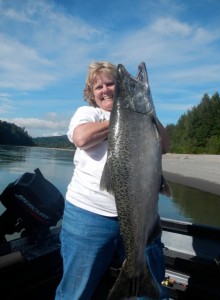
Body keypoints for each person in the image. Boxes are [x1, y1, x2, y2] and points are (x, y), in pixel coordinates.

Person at [55, 61, 169, 300]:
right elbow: (82, 138)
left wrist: (145, 115)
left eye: (111, 84)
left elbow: (165, 146)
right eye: (99, 87)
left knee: (151, 293)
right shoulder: (88, 114)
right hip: (88, 216)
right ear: (91, 93)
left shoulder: (143, 117)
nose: (105, 89)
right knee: (76, 291)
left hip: (143, 217)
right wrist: (125, 117)